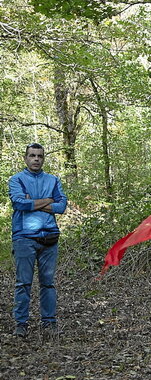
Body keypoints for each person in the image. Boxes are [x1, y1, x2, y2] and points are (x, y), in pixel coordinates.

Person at [9, 143, 67, 337]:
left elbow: (61, 206)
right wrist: (48, 200)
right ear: (25, 158)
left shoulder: (53, 180)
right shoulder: (16, 179)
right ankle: (21, 324)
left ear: (43, 159)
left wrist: (33, 203)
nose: (36, 159)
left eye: (39, 156)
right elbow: (19, 202)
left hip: (49, 236)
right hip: (24, 237)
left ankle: (49, 323)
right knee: (23, 283)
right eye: (32, 155)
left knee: (48, 283)